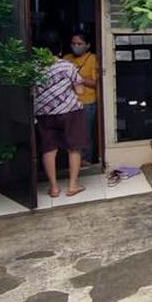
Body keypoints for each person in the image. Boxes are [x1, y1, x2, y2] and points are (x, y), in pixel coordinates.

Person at [33, 30, 87, 198]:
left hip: (44, 114)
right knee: (74, 147)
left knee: (49, 149)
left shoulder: (33, 68)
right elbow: (80, 90)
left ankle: (54, 188)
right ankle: (73, 185)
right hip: (69, 112)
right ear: (60, 49)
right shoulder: (67, 66)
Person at [66, 30, 99, 164]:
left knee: (85, 133)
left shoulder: (93, 59)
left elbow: (97, 83)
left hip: (87, 102)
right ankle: (71, 161)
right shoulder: (66, 58)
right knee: (70, 134)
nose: (76, 46)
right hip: (68, 103)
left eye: (79, 44)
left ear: (88, 45)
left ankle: (85, 159)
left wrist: (78, 78)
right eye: (73, 43)